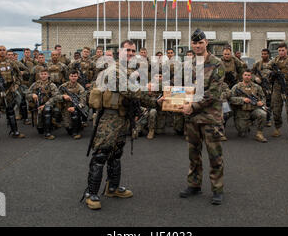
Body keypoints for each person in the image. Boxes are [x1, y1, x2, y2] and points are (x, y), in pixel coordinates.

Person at [82, 40, 162, 210]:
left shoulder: (130, 71)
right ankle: (91, 193)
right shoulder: (114, 71)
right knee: (101, 155)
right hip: (108, 120)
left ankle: (113, 188)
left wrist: (157, 99)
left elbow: (137, 93)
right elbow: (130, 90)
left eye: (134, 51)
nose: (131, 54)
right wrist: (152, 96)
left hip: (122, 118)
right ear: (120, 52)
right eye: (128, 50)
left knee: (116, 154)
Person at [180, 29, 226, 205]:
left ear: (206, 43)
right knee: (193, 154)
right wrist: (172, 99)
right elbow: (184, 88)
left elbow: (213, 93)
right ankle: (194, 185)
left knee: (215, 155)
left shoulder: (217, 64)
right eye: (194, 43)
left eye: (200, 43)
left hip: (210, 117)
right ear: (191, 44)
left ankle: (217, 189)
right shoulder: (189, 63)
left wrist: (193, 106)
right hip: (192, 118)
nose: (197, 46)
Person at [0, 45, 25, 142]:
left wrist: (16, 85)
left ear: (6, 52)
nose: (2, 52)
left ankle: (15, 132)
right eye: (0, 50)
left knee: (10, 111)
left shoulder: (11, 63)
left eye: (4, 50)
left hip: (9, 90)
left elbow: (19, 75)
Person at [230, 70, 267, 142]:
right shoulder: (236, 87)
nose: (247, 77)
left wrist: (261, 102)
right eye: (245, 75)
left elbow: (263, 97)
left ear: (251, 76)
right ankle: (246, 124)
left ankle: (259, 134)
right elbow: (231, 99)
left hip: (254, 110)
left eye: (249, 75)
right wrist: (242, 99)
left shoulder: (256, 87)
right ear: (242, 76)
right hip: (241, 111)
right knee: (242, 131)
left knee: (263, 114)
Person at [27, 69, 60, 140]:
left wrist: (45, 105)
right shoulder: (35, 84)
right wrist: (32, 95)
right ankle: (49, 124)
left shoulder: (52, 85)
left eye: (45, 74)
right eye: (42, 74)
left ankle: (47, 133)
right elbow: (27, 94)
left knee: (47, 110)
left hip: (48, 105)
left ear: (48, 75)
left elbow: (56, 96)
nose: (43, 76)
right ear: (39, 75)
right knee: (40, 129)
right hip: (37, 106)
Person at [59, 70, 87, 139]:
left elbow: (83, 101)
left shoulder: (81, 88)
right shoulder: (63, 86)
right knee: (68, 128)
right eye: (72, 76)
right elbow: (56, 96)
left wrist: (75, 108)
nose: (73, 78)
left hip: (76, 107)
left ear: (78, 77)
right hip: (65, 107)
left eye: (75, 76)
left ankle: (76, 132)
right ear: (69, 77)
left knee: (75, 114)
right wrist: (63, 96)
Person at [252, 48, 273, 127]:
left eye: (265, 54)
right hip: (259, 87)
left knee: (268, 103)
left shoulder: (272, 64)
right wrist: (255, 78)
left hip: (269, 87)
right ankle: (255, 118)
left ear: (268, 54)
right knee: (257, 101)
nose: (263, 55)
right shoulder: (257, 64)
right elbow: (251, 73)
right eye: (262, 54)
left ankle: (268, 119)